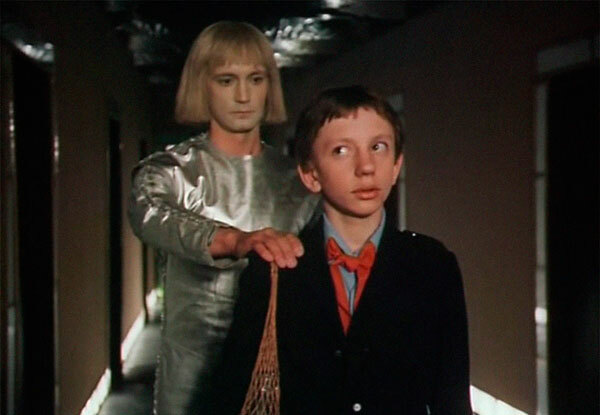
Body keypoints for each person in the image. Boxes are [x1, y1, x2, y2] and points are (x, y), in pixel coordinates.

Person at [215, 85, 472, 414]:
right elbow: (231, 394)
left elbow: (452, 398)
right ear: (310, 174)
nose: (366, 166)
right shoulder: (275, 266)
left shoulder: (432, 265)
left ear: (396, 165)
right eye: (341, 150)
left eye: (378, 147)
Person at [128, 21, 319, 415]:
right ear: (203, 85)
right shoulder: (171, 171)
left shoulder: (298, 181)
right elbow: (148, 213)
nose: (244, 96)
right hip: (190, 378)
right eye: (227, 80)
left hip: (273, 375)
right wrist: (235, 240)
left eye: (255, 79)